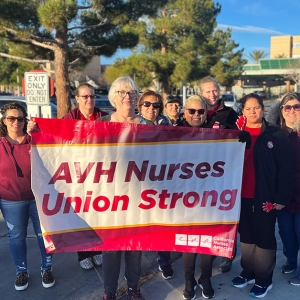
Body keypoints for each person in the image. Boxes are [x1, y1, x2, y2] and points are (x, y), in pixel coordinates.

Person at [230, 93, 294, 298]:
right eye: (248, 109)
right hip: (240, 196)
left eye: (256, 107)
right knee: (247, 238)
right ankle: (247, 272)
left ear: (263, 109)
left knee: (264, 238)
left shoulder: (274, 134)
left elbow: (285, 168)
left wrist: (281, 198)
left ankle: (263, 280)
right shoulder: (236, 133)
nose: (252, 112)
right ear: (242, 111)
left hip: (265, 197)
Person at [98, 76, 152, 300]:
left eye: (131, 92)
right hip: (109, 199)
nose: (127, 96)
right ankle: (109, 292)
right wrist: (38, 131)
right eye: (122, 92)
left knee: (135, 248)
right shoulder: (101, 124)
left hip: (139, 198)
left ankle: (133, 288)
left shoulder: (148, 126)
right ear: (114, 97)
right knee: (110, 249)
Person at [0, 103, 55, 291]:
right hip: (10, 200)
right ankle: (21, 271)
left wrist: (40, 131)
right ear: (4, 121)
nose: (16, 122)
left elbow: (56, 151)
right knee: (16, 237)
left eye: (20, 118)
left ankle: (46, 268)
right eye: (11, 118)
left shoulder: (35, 139)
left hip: (39, 198)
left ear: (26, 120)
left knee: (44, 235)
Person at [63, 82, 107, 270]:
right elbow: (59, 140)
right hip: (78, 173)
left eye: (92, 96)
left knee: (97, 212)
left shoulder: (103, 116)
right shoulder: (70, 117)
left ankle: (97, 249)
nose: (89, 99)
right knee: (81, 214)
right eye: (85, 96)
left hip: (99, 172)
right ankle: (83, 252)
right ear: (77, 99)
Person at [199, 76, 238, 272]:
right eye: (208, 91)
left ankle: (226, 254)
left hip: (224, 173)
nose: (212, 94)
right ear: (201, 93)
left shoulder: (230, 114)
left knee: (225, 216)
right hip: (199, 174)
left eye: (215, 90)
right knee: (206, 216)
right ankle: (207, 250)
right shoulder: (195, 112)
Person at [178, 95, 215, 300]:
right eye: (191, 111)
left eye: (200, 111)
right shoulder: (174, 134)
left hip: (210, 197)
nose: (196, 115)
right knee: (189, 242)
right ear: (185, 113)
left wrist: (240, 138)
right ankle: (189, 279)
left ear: (206, 113)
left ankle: (206, 278)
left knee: (208, 240)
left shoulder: (215, 135)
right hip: (183, 199)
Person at [137, 90, 174, 279]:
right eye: (147, 104)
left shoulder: (167, 124)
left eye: (156, 105)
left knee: (162, 222)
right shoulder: (132, 125)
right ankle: (134, 266)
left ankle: (164, 260)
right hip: (137, 182)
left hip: (162, 181)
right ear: (140, 106)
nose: (152, 108)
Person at [267, 92, 300, 285]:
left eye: (297, 107)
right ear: (281, 111)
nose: (292, 111)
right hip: (281, 195)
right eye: (287, 107)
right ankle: (291, 260)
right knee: (286, 232)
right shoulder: (273, 133)